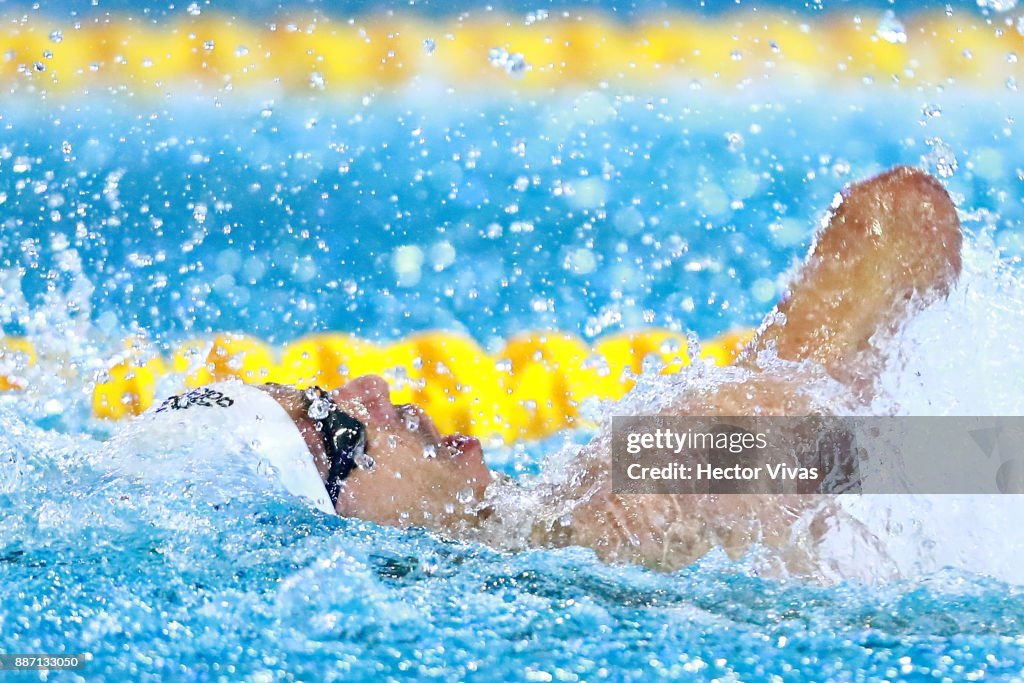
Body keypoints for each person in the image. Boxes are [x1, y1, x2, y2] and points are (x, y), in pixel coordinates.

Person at [132, 165, 962, 574]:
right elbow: (976, 462)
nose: (372, 390)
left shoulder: (578, 510)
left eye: (329, 392)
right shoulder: (639, 492)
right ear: (341, 524)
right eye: (341, 429)